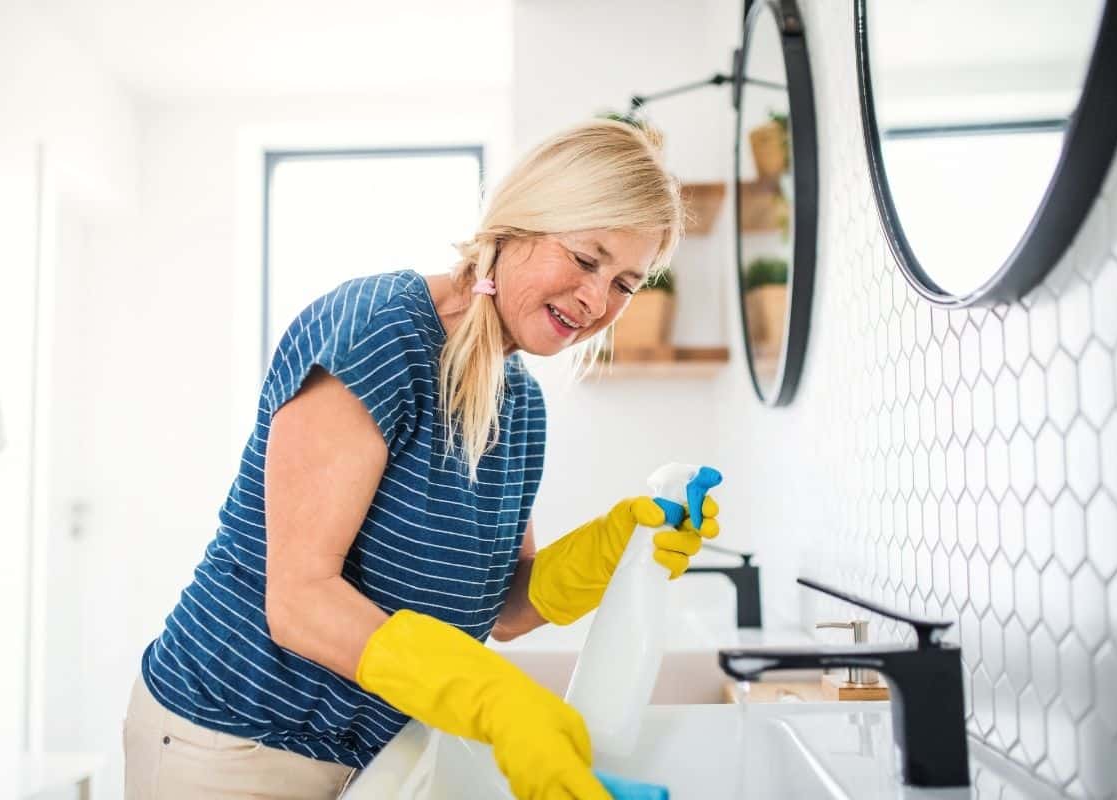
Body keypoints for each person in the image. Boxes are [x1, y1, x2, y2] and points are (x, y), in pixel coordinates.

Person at [122, 117, 720, 800]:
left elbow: (500, 609)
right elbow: (299, 600)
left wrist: (607, 553)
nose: (596, 300)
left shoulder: (520, 403)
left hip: (373, 756)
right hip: (230, 741)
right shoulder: (379, 332)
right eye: (587, 260)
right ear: (520, 222)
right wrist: (491, 699)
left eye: (625, 284)